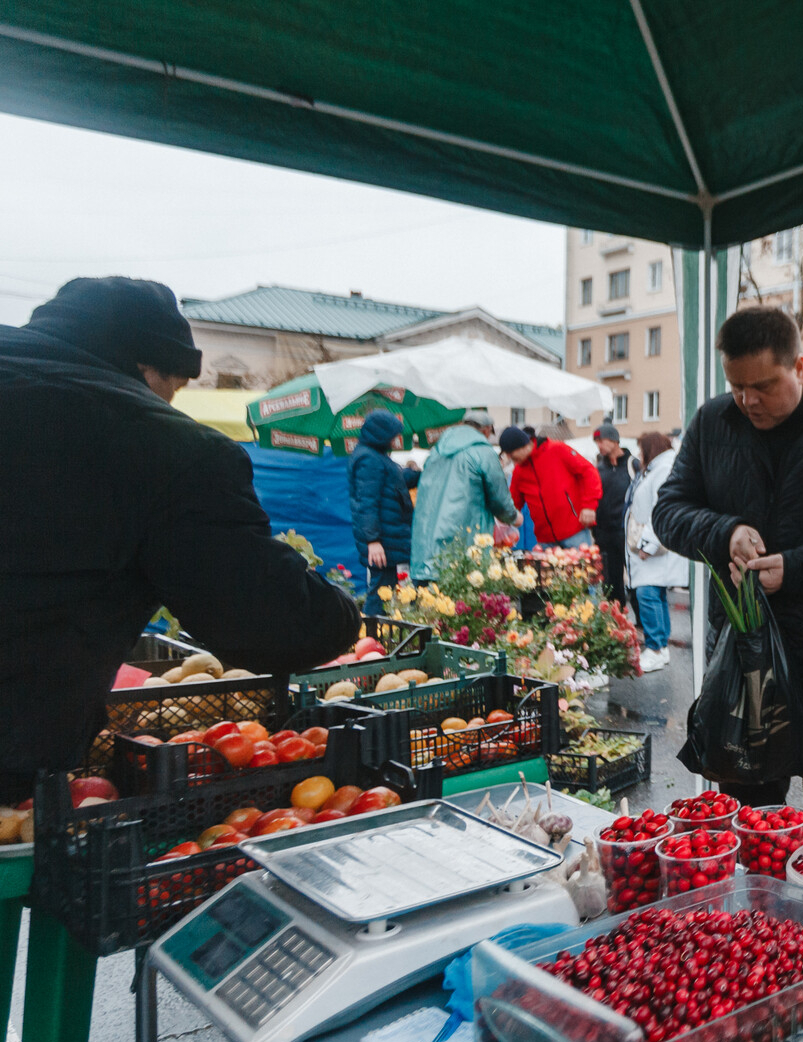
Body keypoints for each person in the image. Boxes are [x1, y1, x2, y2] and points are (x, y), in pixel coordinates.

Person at [0, 277, 360, 802]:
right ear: (150, 368)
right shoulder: (163, 446)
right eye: (175, 389)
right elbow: (272, 622)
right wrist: (343, 615)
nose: (173, 404)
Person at [653, 306, 803, 837]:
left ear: (800, 368)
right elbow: (668, 511)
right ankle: (751, 917)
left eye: (763, 385)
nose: (748, 400)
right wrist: (725, 533)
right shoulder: (712, 421)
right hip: (745, 659)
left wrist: (798, 568)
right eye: (737, 386)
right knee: (749, 815)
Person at [411, 409, 520, 578]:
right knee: (465, 598)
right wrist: (513, 517)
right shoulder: (483, 452)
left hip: (426, 548)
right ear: (485, 430)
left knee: (432, 601)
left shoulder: (436, 452)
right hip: (464, 543)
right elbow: (499, 498)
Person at [624, 430, 686, 672]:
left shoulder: (661, 470)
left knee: (648, 596)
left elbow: (661, 508)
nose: (639, 454)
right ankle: (660, 648)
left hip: (651, 549)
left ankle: (656, 648)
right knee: (654, 596)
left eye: (641, 449)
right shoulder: (657, 469)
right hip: (650, 548)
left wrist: (647, 545)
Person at [347, 408, 417, 613]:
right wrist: (373, 541)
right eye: (392, 436)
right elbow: (366, 502)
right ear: (381, 434)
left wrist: (419, 474)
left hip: (390, 539)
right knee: (380, 592)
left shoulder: (376, 457)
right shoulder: (368, 460)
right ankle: (368, 637)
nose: (395, 440)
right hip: (384, 542)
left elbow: (398, 480)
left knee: (386, 590)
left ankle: (376, 637)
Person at [501, 425, 602, 550]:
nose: (510, 458)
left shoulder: (557, 449)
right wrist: (503, 521)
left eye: (511, 453)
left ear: (523, 445)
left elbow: (589, 472)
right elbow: (514, 503)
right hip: (545, 540)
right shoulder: (518, 472)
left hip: (574, 533)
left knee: (582, 568)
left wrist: (589, 506)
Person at [593, 425, 639, 606]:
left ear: (614, 440)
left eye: (601, 441)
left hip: (627, 532)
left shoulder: (633, 464)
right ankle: (615, 617)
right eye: (596, 442)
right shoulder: (599, 469)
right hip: (605, 533)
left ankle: (641, 621)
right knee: (611, 580)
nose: (599, 446)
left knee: (635, 577)